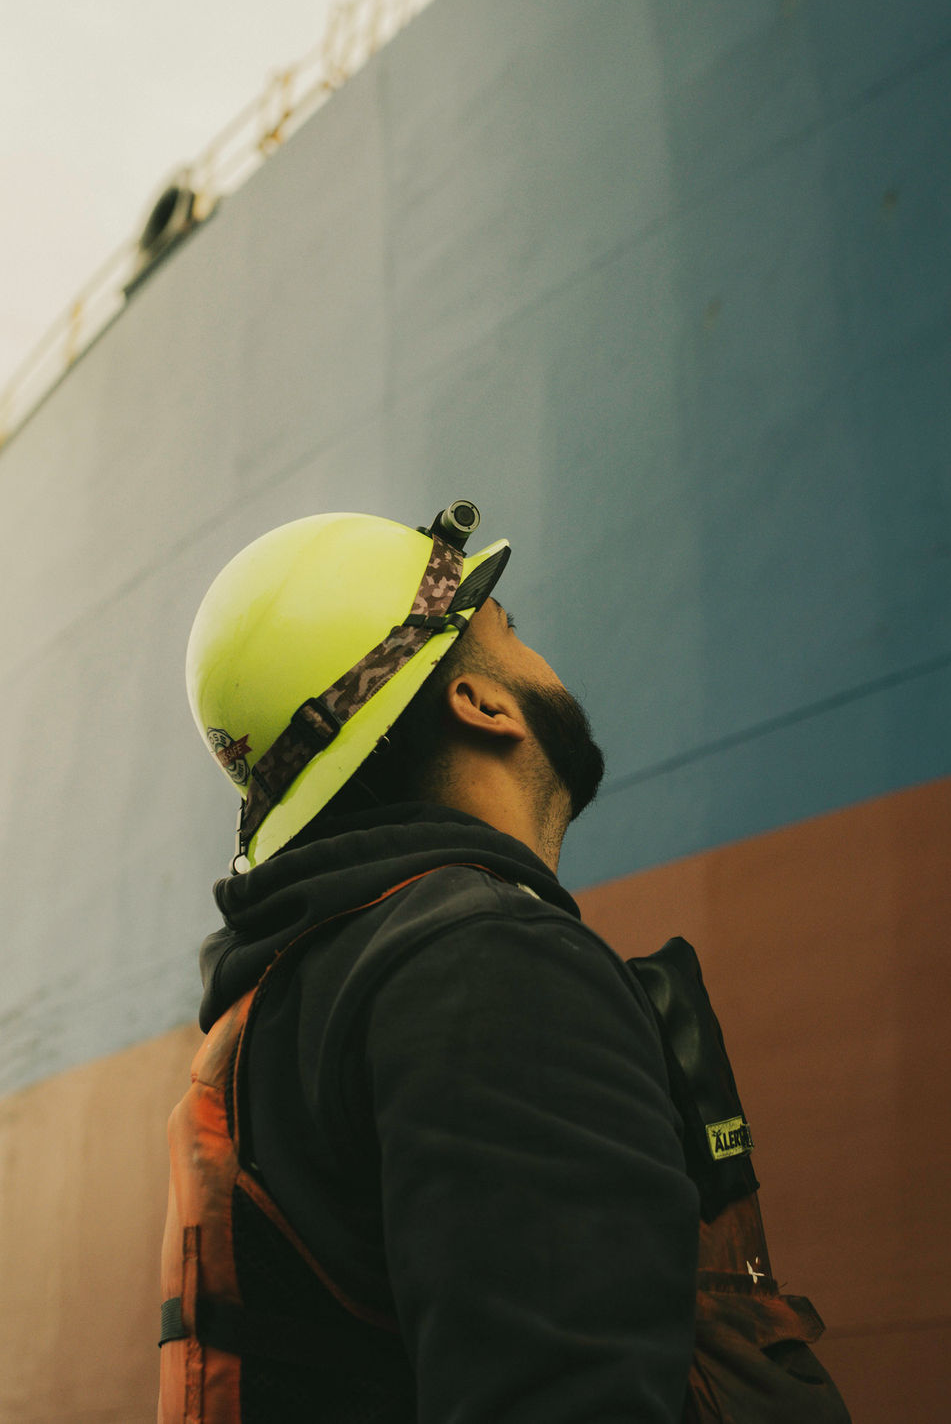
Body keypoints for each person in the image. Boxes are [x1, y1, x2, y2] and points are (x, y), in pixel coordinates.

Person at [159, 502, 851, 1423]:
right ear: (479, 702)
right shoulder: (490, 966)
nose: (537, 657)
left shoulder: (297, 994)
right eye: (508, 632)